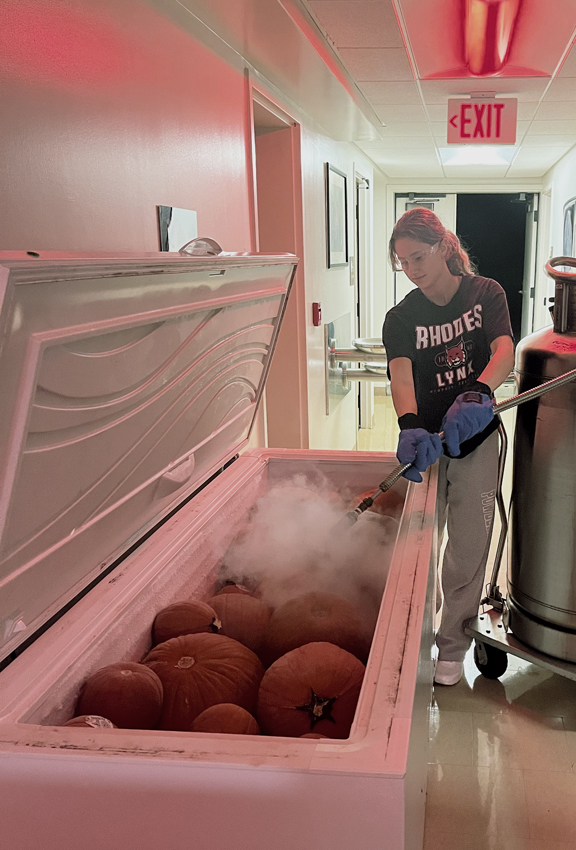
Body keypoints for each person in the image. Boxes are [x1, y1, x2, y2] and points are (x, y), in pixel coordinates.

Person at [383, 207, 515, 686]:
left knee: (467, 547)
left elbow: (504, 349)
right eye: (403, 262)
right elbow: (401, 374)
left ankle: (452, 645)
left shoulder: (485, 294)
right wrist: (410, 424)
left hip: (476, 438)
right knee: (418, 541)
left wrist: (479, 392)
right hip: (429, 447)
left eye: (418, 257)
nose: (412, 270)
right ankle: (410, 639)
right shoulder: (401, 317)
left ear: (443, 248)